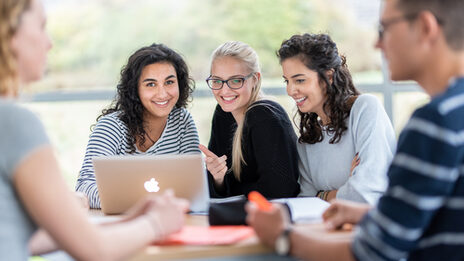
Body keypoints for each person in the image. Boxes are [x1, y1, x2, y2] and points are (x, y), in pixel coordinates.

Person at [246, 0, 464, 260]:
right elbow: (432, 218)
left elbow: (374, 250)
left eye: (385, 29)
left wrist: (282, 236)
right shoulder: (451, 114)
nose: (376, 44)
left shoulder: (434, 121)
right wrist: (365, 212)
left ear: (426, 27)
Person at [0, 0, 188, 260]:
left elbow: (33, 239)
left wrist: (131, 219)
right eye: (42, 27)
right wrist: (156, 223)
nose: (49, 43)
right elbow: (95, 250)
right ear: (9, 34)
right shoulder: (13, 121)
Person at [76, 43, 200, 208]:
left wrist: (216, 178)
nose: (163, 93)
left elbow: (194, 186)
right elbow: (84, 188)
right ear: (135, 89)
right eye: (151, 84)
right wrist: (144, 203)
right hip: (122, 225)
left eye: (169, 82)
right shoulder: (111, 127)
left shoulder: (182, 121)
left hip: (171, 222)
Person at [278, 33, 396, 204]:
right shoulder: (307, 142)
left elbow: (365, 194)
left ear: (329, 77)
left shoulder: (365, 109)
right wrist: (348, 186)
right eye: (287, 81)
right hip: (326, 227)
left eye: (300, 80)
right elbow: (305, 203)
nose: (290, 90)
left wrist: (324, 195)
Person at [199, 41, 300, 198]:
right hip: (246, 213)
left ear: (255, 79)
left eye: (235, 80)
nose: (224, 90)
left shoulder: (264, 116)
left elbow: (279, 190)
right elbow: (220, 188)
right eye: (217, 81)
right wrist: (217, 178)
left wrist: (231, 188)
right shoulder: (224, 113)